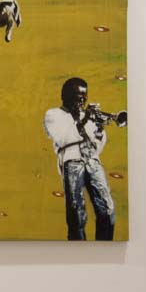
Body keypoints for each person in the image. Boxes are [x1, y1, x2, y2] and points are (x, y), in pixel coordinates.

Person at [43, 78, 116, 240]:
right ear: (66, 96)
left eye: (85, 96)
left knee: (107, 208)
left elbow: (97, 147)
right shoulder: (54, 114)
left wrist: (99, 129)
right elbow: (63, 138)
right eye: (78, 95)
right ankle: (78, 246)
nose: (82, 99)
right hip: (72, 162)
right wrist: (85, 118)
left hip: (93, 161)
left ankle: (105, 245)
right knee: (76, 211)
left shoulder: (88, 116)